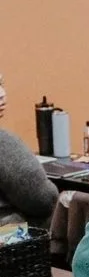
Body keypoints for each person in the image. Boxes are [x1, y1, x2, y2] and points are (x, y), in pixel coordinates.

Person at [0, 81, 57, 227]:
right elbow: (44, 200)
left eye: (1, 84)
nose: (2, 94)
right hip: (9, 241)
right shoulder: (3, 143)